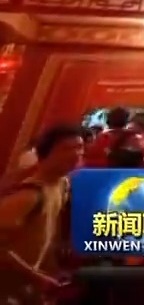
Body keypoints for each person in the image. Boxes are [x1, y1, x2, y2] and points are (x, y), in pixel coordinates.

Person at [0, 124, 82, 303]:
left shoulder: (62, 184)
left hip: (27, 289)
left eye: (79, 147)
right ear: (45, 153)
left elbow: (47, 235)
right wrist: (35, 276)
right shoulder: (28, 195)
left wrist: (51, 271)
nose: (76, 154)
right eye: (66, 149)